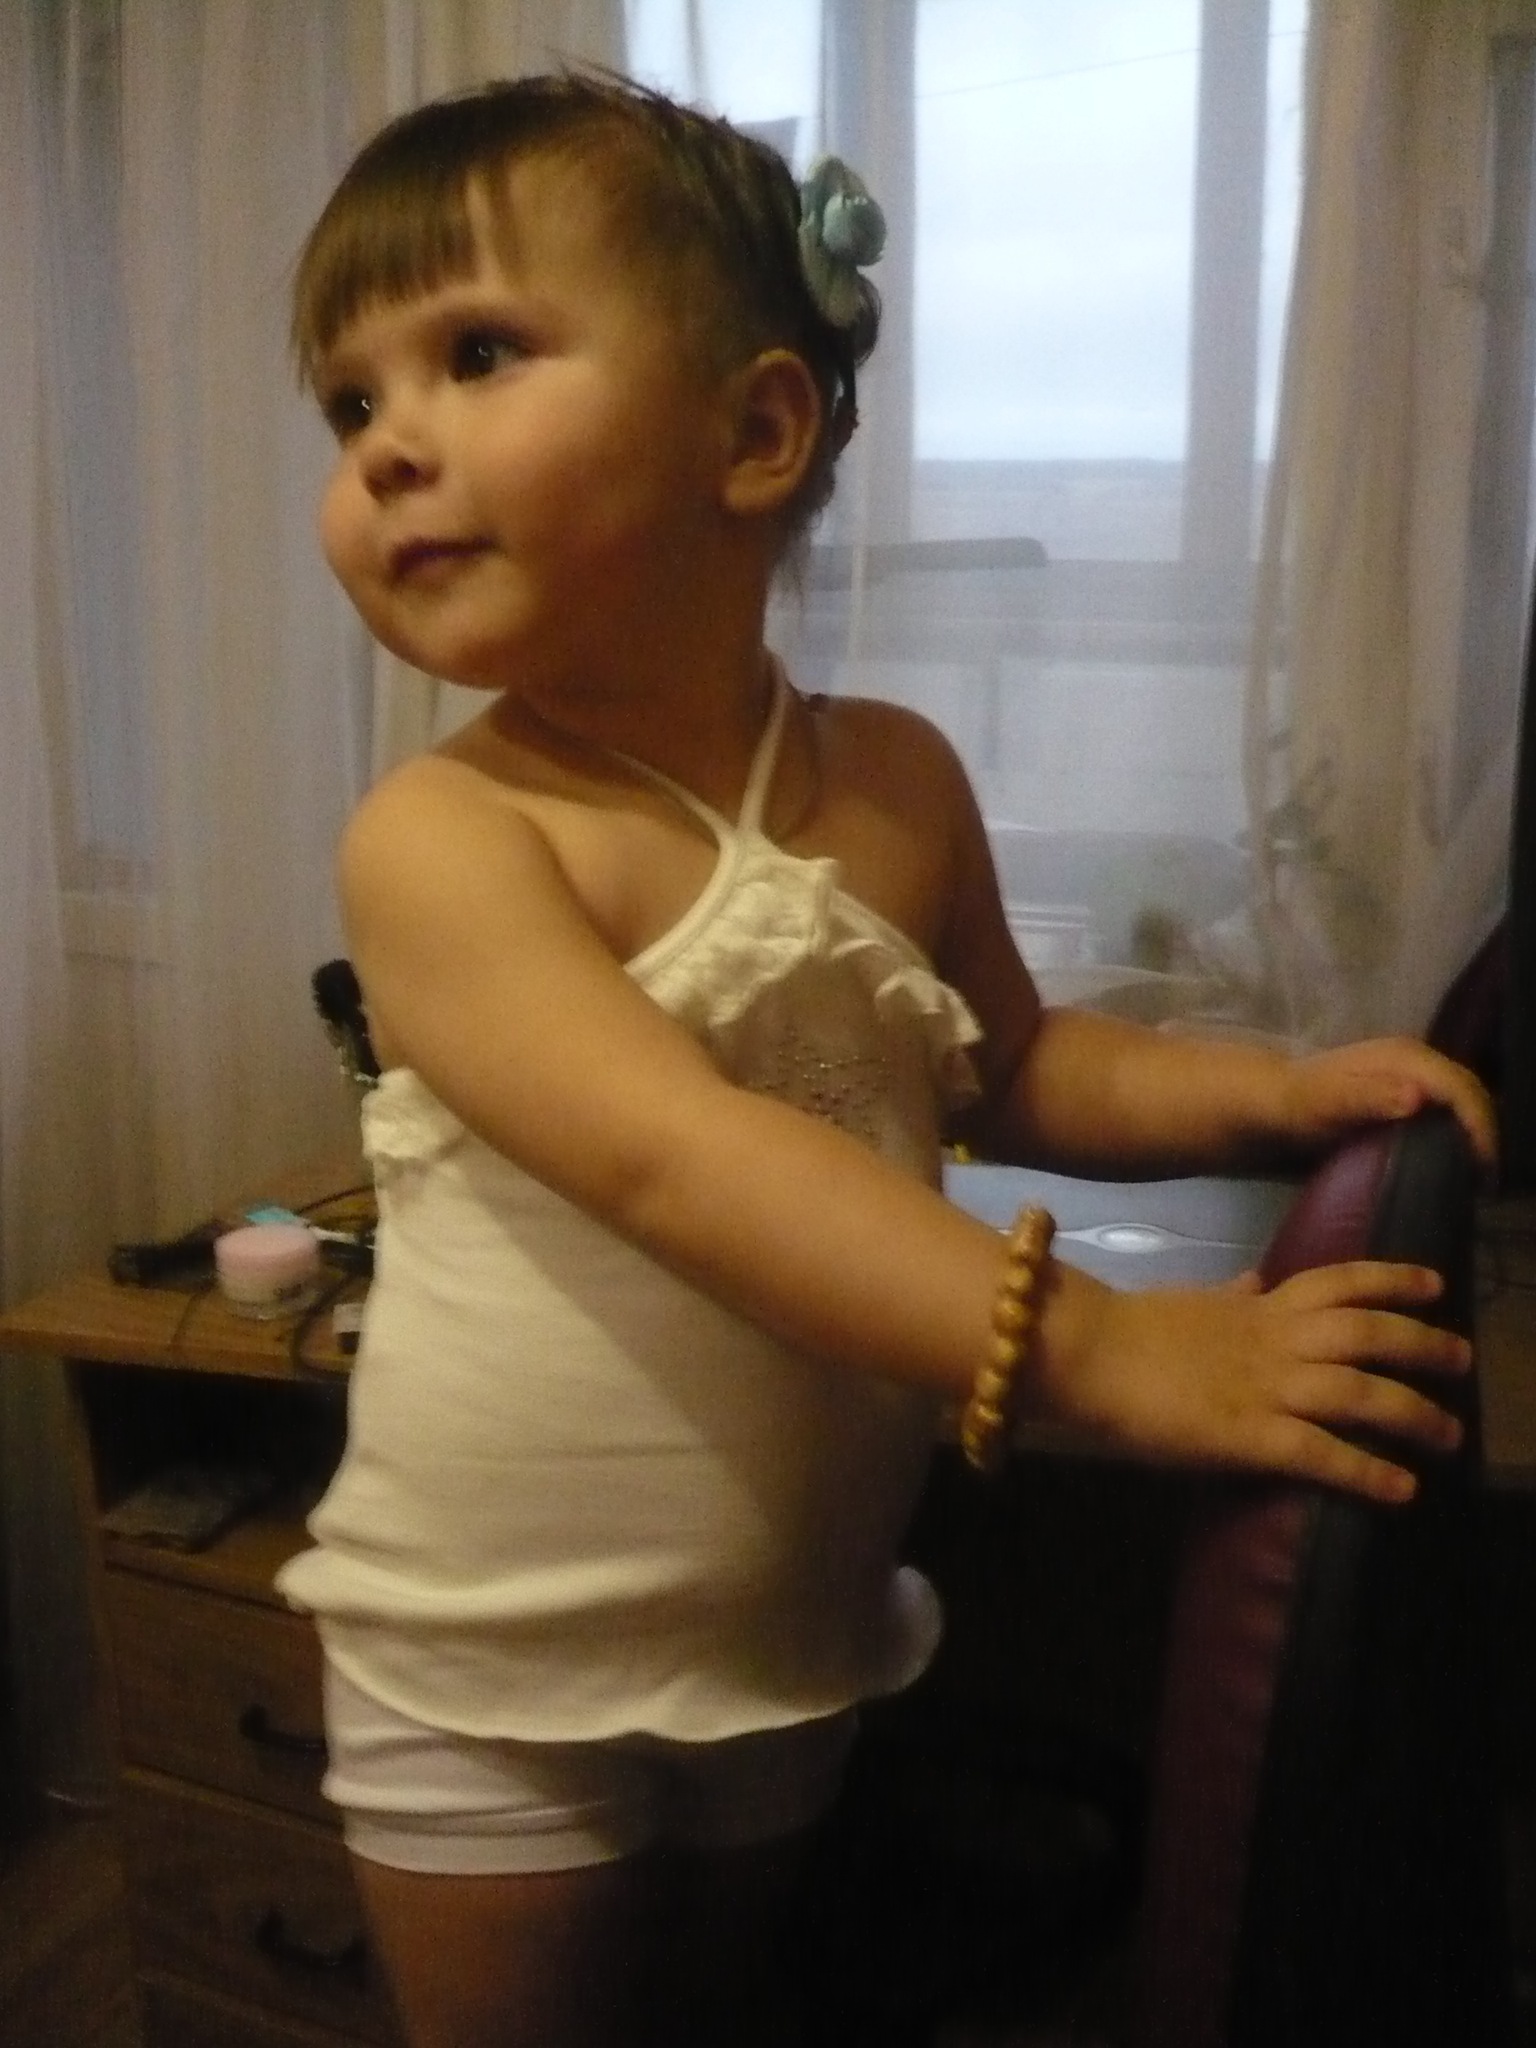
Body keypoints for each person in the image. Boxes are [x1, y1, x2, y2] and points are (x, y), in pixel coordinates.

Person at [275, 72, 1496, 2048]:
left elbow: (1014, 1066)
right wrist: (1106, 1348)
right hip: (492, 1663)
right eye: (348, 404)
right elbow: (682, 1159)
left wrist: (1271, 1091)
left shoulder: (898, 783)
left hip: (792, 1638)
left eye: (474, 353)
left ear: (756, 431)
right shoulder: (444, 838)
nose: (387, 446)